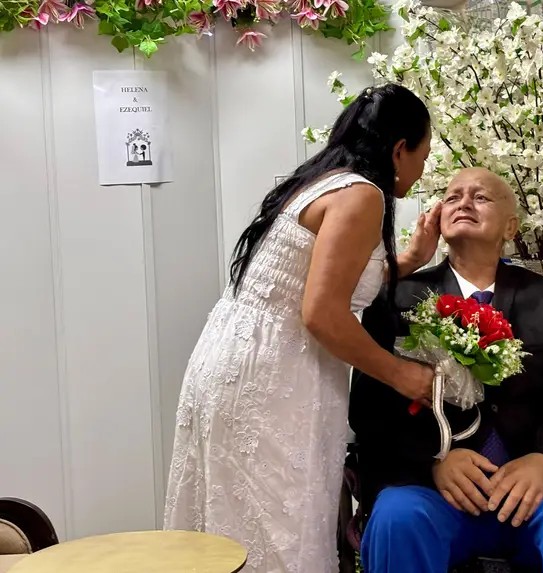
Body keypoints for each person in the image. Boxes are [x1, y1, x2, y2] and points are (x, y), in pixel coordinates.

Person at [163, 84, 441, 573]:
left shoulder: (323, 181)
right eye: (423, 156)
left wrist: (412, 258)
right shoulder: (363, 195)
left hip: (242, 355)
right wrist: (400, 374)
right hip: (278, 372)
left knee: (237, 524)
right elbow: (322, 314)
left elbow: (323, 280)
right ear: (400, 149)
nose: (420, 172)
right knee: (278, 527)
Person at [350, 167, 543, 573]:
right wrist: (433, 459)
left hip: (538, 492)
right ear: (436, 219)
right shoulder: (398, 299)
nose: (464, 203)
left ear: (511, 227)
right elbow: (368, 405)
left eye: (480, 197)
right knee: (397, 517)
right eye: (452, 197)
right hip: (432, 489)